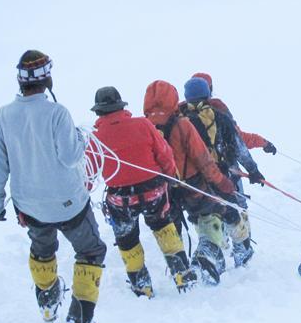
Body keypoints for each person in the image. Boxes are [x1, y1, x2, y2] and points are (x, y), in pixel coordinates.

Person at [0, 50, 106, 323]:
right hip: (69, 203)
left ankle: (47, 300)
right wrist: (80, 138)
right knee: (90, 251)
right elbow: (70, 157)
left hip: (29, 206)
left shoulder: (4, 115)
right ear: (47, 79)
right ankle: (79, 319)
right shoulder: (57, 113)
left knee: (42, 249)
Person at [86, 86, 196, 296]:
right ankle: (182, 274)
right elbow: (164, 153)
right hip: (153, 190)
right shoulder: (143, 124)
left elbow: (89, 173)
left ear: (98, 111)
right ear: (121, 107)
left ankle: (142, 285)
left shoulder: (95, 138)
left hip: (120, 198)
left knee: (127, 240)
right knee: (163, 227)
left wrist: (84, 192)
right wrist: (170, 176)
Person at [143, 80, 241, 284]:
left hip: (163, 189)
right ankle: (206, 257)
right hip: (192, 185)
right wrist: (222, 183)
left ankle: (181, 271)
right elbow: (203, 159)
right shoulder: (182, 124)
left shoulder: (144, 127)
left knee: (172, 228)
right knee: (210, 217)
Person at [180, 76, 264, 270]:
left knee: (206, 216)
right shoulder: (220, 117)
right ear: (208, 94)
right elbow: (239, 147)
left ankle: (214, 255)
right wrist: (253, 170)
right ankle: (242, 252)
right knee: (235, 210)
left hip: (195, 180)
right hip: (223, 175)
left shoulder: (180, 122)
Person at [188, 72, 276, 154]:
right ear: (209, 89)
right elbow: (238, 138)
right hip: (216, 162)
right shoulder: (218, 108)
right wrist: (264, 143)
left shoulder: (182, 110)